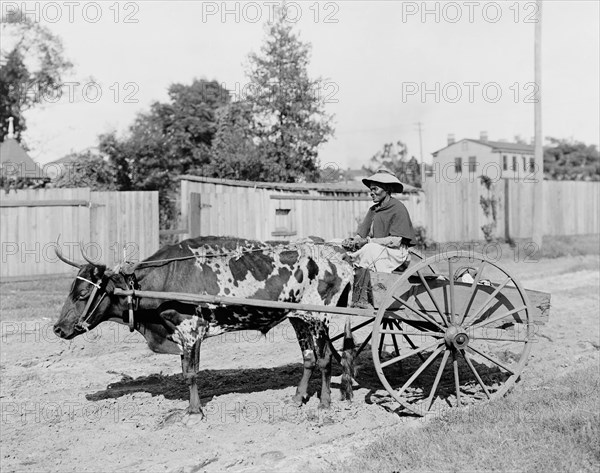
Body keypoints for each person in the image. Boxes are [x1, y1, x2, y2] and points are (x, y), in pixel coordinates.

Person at [342, 169, 416, 308]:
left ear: (387, 189)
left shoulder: (398, 208)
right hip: (379, 250)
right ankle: (355, 295)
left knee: (369, 249)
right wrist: (352, 241)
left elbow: (396, 241)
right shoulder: (373, 210)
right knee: (344, 250)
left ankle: (363, 297)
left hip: (396, 252)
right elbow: (361, 235)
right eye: (371, 189)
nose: (372, 192)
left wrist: (368, 241)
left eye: (375, 189)